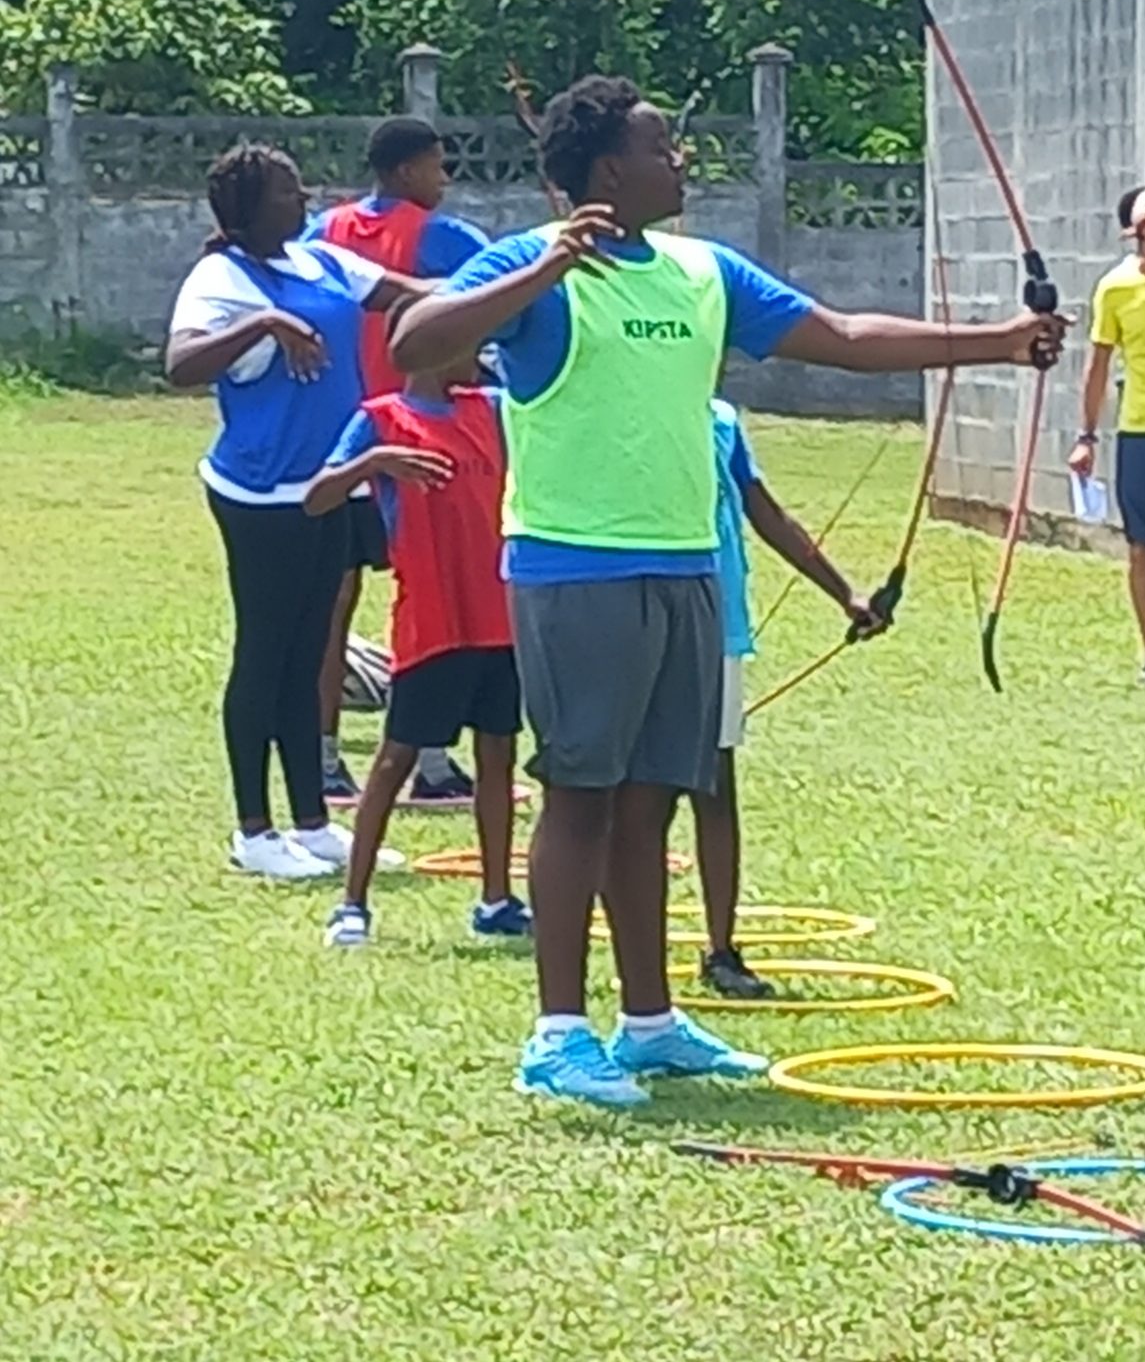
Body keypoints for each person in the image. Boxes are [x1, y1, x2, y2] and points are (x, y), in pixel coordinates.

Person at [390, 73, 1067, 1109]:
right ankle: (558, 1036)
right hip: (575, 567)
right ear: (609, 169)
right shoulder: (532, 263)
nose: (682, 161)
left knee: (651, 799)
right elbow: (416, 343)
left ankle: (650, 1024)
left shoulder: (703, 271)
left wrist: (999, 345)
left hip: (685, 564)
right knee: (580, 794)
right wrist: (543, 269)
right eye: (662, 147)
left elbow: (843, 337)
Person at [166, 144, 434, 880]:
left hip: (329, 486)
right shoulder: (222, 278)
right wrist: (263, 324)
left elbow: (409, 293)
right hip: (263, 495)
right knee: (267, 654)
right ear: (247, 209)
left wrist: (505, 284)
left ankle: (312, 824)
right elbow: (181, 364)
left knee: (311, 652)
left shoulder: (319, 261)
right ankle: (254, 831)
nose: (304, 198)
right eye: (286, 191)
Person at [304, 352, 531, 945]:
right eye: (466, 343)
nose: (480, 356)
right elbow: (316, 498)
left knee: (497, 757)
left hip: (499, 618)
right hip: (432, 621)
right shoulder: (381, 418)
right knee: (394, 759)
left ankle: (497, 899)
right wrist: (374, 463)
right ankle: (352, 904)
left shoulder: (494, 410)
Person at [307, 117, 492, 809]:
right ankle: (434, 760)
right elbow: (499, 292)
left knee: (335, 603)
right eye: (439, 167)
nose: (445, 179)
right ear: (408, 170)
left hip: (344, 435)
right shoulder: (443, 236)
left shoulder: (322, 231)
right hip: (420, 435)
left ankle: (323, 757)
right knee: (432, 594)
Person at [690, 398, 888, 1000]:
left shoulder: (722, 422)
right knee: (624, 794)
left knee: (714, 788)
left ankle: (722, 949)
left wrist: (845, 594)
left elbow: (767, 513)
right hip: (637, 617)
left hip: (717, 626)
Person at [1070, 183, 1145, 683]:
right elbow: (1098, 365)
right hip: (1141, 434)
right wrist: (1086, 436)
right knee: (1143, 548)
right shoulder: (1115, 288)